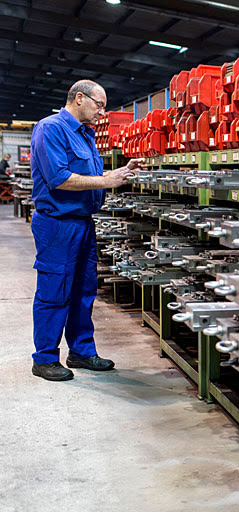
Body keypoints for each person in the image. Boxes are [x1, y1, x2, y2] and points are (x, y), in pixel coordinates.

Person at [30, 79, 146, 381]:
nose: (102, 112)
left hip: (82, 222)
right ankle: (44, 359)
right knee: (55, 290)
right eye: (99, 105)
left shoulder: (85, 135)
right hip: (57, 224)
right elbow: (59, 178)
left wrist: (121, 173)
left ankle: (81, 351)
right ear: (79, 98)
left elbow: (89, 177)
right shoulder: (51, 128)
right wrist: (106, 181)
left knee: (84, 290)